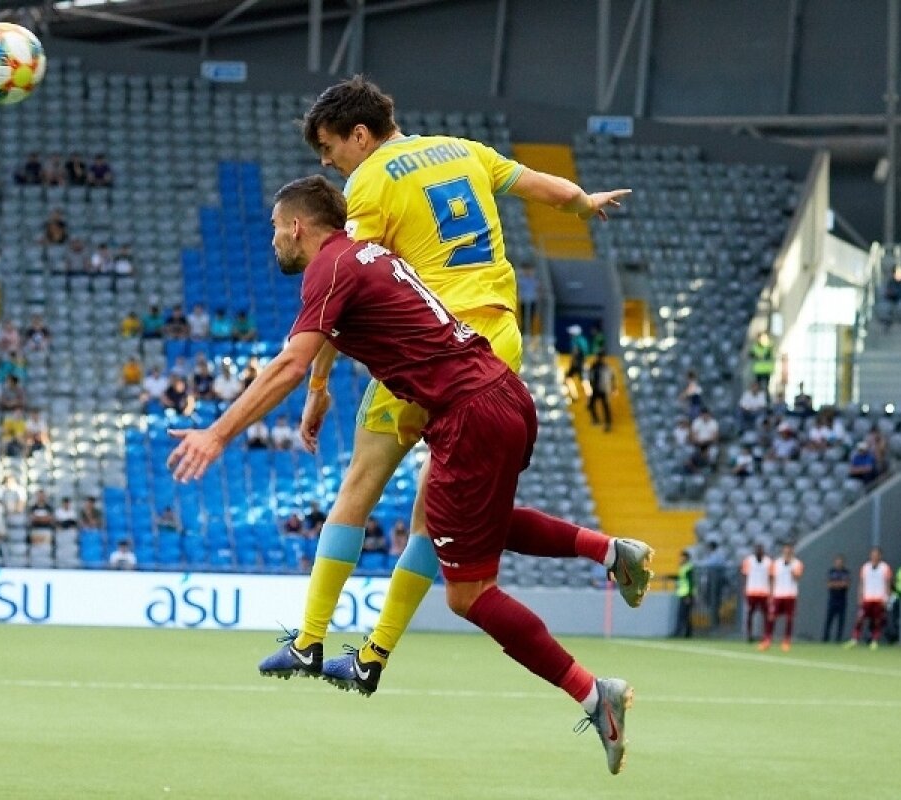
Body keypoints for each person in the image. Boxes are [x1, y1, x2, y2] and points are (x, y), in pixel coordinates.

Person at [167, 176, 639, 774]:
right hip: (501, 397)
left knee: (468, 594)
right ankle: (611, 553)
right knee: (474, 525)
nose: (272, 242)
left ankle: (595, 694)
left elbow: (290, 363)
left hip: (469, 415)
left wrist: (217, 433)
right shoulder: (369, 255)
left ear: (295, 227)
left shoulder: (329, 267)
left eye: (273, 230)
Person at [251, 78, 642, 698]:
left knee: (359, 484)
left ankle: (310, 638)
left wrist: (319, 383)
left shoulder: (369, 182)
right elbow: (549, 188)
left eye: (330, 147)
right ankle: (375, 654)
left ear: (360, 134)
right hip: (501, 344)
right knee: (434, 517)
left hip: (438, 345)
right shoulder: (463, 148)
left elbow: (344, 283)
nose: (327, 162)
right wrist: (585, 203)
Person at [845, 547, 893, 650]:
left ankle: (874, 641)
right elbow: (862, 583)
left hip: (879, 599)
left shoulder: (885, 568)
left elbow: (888, 584)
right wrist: (860, 596)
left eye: (876, 554)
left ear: (880, 556)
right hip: (867, 598)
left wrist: (886, 598)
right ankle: (854, 639)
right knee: (859, 619)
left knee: (877, 621)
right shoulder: (865, 567)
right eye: (872, 554)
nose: (874, 556)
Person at [761, 542, 803, 652]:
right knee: (771, 617)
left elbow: (797, 578)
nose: (787, 552)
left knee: (789, 619)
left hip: (790, 594)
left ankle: (786, 641)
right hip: (778, 595)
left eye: (789, 550)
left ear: (792, 551)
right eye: (786, 550)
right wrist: (770, 594)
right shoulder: (776, 563)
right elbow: (772, 579)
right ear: (783, 551)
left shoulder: (797, 563)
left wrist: (790, 567)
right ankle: (767, 640)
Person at [740, 543, 772, 642]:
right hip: (752, 591)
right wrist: (745, 587)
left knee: (766, 615)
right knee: (750, 614)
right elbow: (745, 575)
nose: (759, 551)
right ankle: (749, 634)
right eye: (757, 549)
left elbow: (771, 576)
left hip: (764, 592)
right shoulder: (748, 561)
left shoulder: (768, 562)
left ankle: (766, 635)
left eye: (760, 549)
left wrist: (771, 590)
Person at [821, 554, 851, 643]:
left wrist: (836, 584)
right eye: (837, 562)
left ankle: (838, 639)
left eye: (840, 562)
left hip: (842, 599)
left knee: (841, 621)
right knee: (829, 619)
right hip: (832, 599)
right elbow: (829, 584)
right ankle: (825, 638)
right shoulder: (831, 572)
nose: (839, 564)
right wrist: (839, 584)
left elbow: (846, 584)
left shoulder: (846, 572)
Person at [587, 354, 614, 432]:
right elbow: (591, 376)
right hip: (597, 389)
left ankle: (607, 422)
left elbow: (610, 377)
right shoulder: (595, 366)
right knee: (592, 405)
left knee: (605, 406)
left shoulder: (604, 367)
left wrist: (611, 387)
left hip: (602, 389)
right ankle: (597, 420)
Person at [672, 550, 694, 638]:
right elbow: (680, 578)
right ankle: (685, 633)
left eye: (682, 557)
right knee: (683, 615)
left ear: (686, 558)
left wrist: (688, 595)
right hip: (683, 594)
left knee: (684, 615)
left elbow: (691, 582)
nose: (681, 559)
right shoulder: (683, 567)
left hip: (687, 595)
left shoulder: (688, 568)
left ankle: (685, 633)